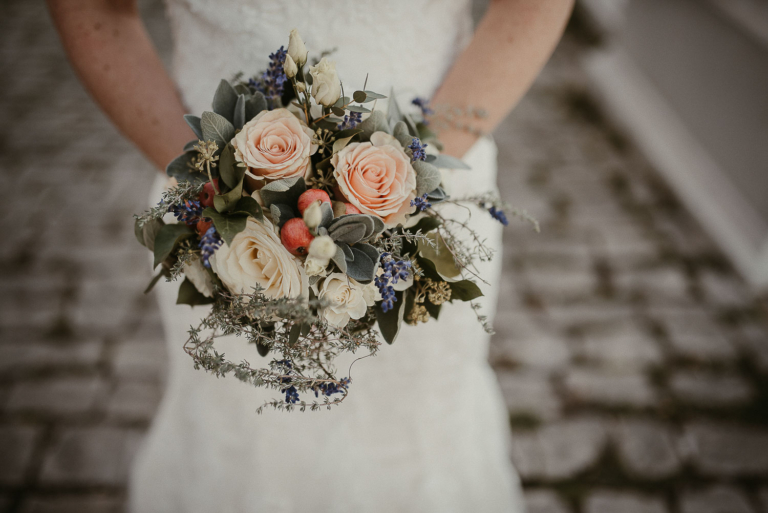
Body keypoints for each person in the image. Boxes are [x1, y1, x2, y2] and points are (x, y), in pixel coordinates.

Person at [48, 1, 573, 511]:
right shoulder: (215, 207)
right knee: (240, 428)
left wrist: (407, 183)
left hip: (434, 179)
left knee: (419, 428)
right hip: (213, 211)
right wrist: (217, 192)